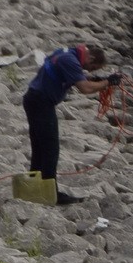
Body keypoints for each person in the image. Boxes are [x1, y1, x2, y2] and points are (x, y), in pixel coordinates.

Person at [22, 43, 122, 204]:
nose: (89, 70)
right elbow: (85, 88)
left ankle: (34, 189)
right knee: (50, 148)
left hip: (33, 99)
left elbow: (74, 76)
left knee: (40, 147)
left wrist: (96, 80)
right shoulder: (70, 60)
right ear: (90, 58)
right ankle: (51, 194)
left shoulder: (66, 53)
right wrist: (107, 83)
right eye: (91, 67)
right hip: (41, 102)